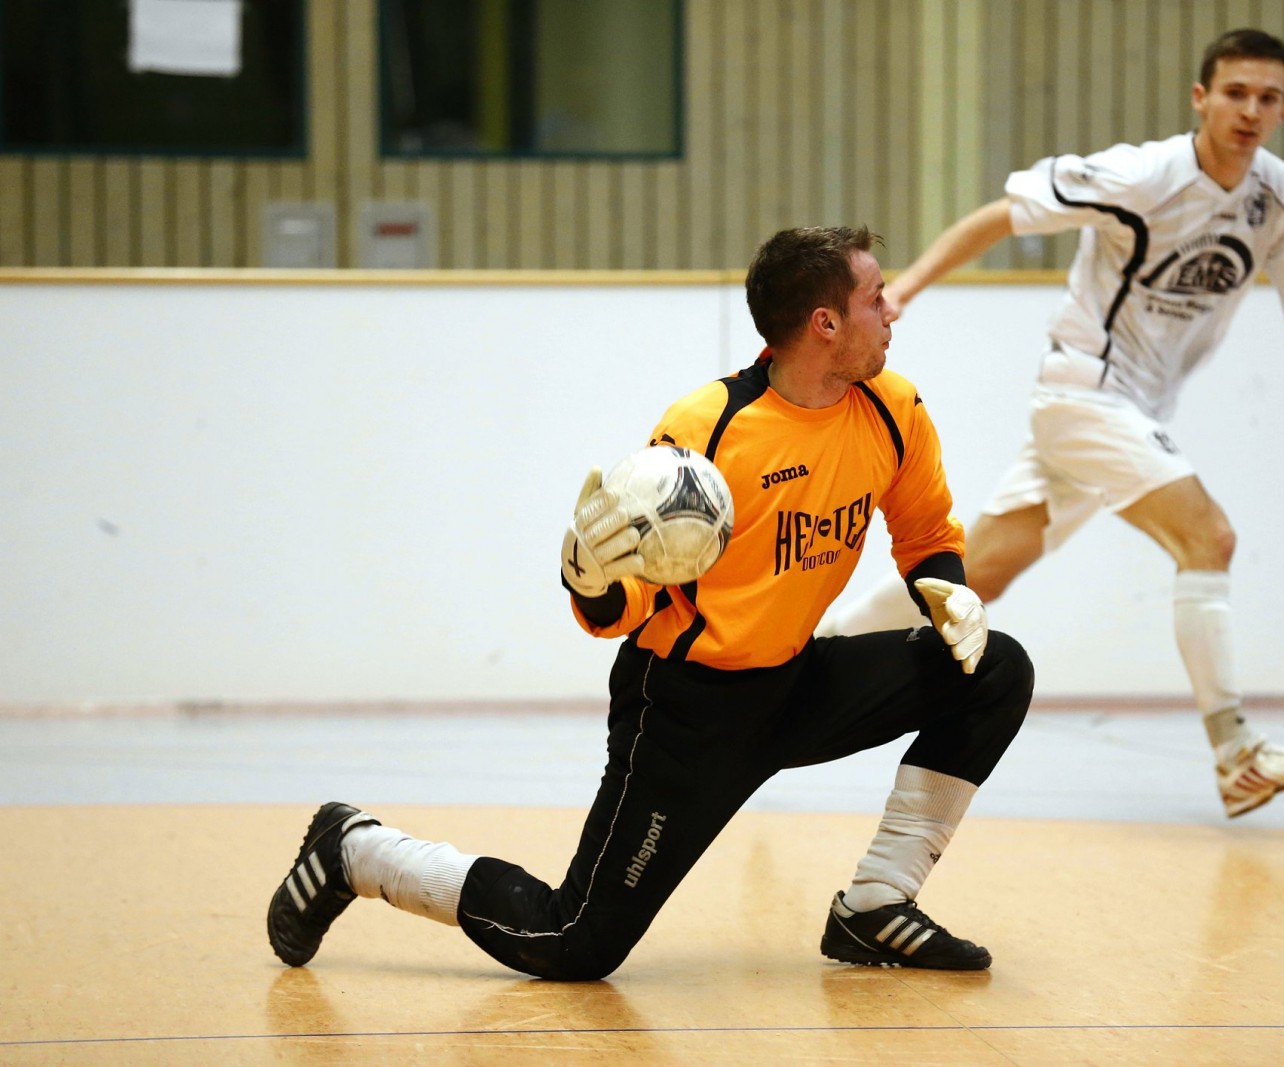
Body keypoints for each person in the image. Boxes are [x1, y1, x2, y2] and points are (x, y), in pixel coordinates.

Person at [267, 226, 1035, 980]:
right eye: (877, 298)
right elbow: (624, 606)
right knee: (572, 941)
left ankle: (875, 905)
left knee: (994, 668)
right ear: (824, 324)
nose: (892, 309)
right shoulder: (708, 431)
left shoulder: (891, 407)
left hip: (797, 682)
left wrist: (949, 592)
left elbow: (926, 528)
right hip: (687, 711)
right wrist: (590, 579)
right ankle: (354, 849)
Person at [820, 29, 1284, 819]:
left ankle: (815, 653)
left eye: (1268, 97)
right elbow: (1000, 217)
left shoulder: (1276, 196)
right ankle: (1237, 751)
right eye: (1235, 93)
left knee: (972, 578)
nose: (1250, 109)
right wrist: (903, 288)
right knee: (1208, 538)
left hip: (1131, 413)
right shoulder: (1144, 174)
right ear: (1201, 98)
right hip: (1085, 392)